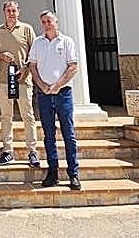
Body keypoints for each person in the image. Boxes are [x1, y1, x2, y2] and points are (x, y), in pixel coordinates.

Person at [27, 10, 82, 190]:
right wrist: (42, 85)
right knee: (48, 135)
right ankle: (53, 171)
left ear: (56, 22)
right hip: (44, 94)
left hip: (62, 93)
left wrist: (58, 85)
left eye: (49, 21)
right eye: (43, 22)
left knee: (68, 134)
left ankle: (73, 173)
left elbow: (73, 67)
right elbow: (32, 66)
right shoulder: (37, 42)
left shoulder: (67, 42)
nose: (46, 24)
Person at [0, 0, 41, 167]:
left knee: (28, 116)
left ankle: (32, 151)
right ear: (4, 12)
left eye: (14, 10)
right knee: (6, 117)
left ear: (18, 12)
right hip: (3, 81)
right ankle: (7, 151)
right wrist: (0, 55)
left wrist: (26, 68)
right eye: (8, 10)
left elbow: (34, 53)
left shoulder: (27, 29)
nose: (11, 13)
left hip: (23, 80)